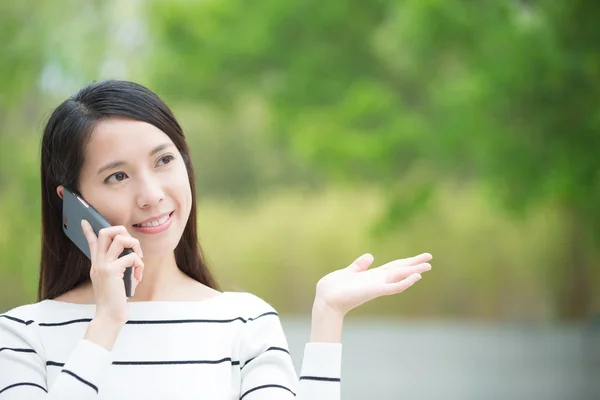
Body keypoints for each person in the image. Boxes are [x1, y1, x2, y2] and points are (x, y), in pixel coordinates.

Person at [0, 80, 432, 399]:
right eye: (117, 175)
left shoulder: (245, 323)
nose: (152, 195)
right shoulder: (23, 334)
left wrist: (327, 318)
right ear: (72, 203)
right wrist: (108, 321)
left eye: (164, 160)